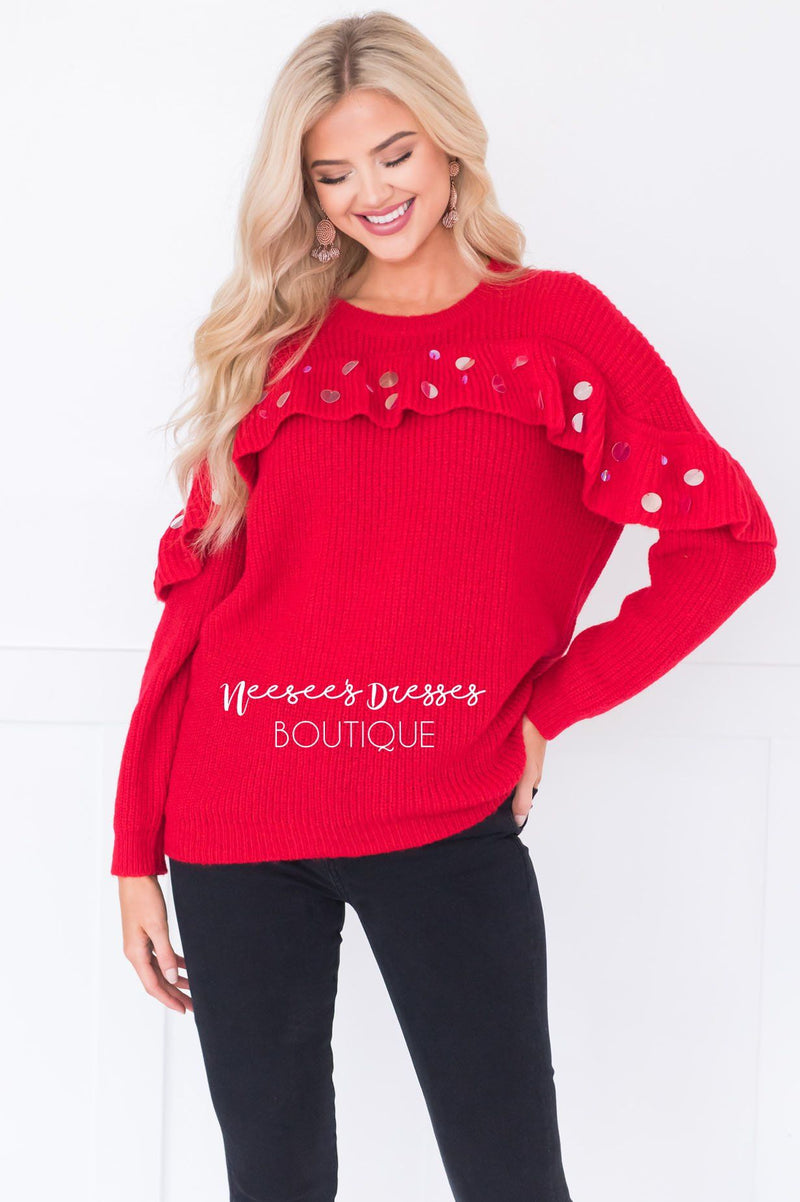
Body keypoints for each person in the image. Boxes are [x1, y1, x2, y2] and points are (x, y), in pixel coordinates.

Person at [110, 12, 778, 1202]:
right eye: (333, 172)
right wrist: (131, 849)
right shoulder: (277, 348)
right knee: (270, 1178)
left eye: (394, 153)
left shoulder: (556, 328)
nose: (371, 192)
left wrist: (548, 706)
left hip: (440, 808)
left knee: (508, 1173)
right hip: (233, 811)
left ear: (449, 145)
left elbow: (726, 542)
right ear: (307, 195)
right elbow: (196, 606)